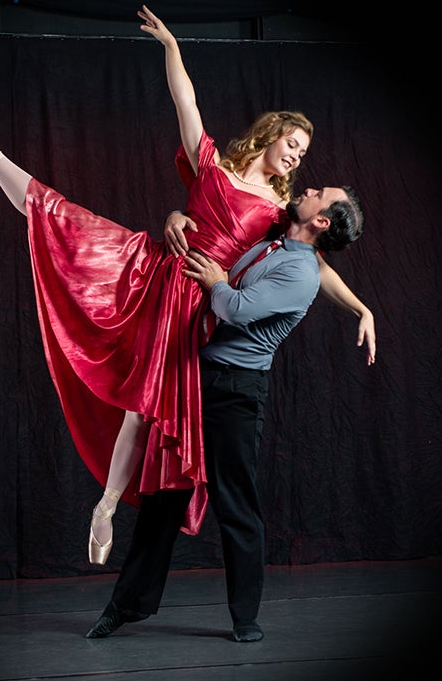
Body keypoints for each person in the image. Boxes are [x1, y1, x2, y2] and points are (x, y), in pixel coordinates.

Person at [0, 4, 375, 568]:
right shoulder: (212, 163)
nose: (297, 154)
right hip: (156, 273)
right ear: (268, 136)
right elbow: (184, 101)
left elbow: (316, 267)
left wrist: (360, 308)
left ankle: (107, 505)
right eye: (292, 142)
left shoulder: (277, 210)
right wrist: (172, 47)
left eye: (304, 152)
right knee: (65, 219)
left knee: (143, 410)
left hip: (197, 303)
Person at [85, 183, 368, 642]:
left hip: (235, 391)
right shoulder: (276, 232)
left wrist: (216, 280)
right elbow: (215, 219)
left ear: (322, 221)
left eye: (320, 193)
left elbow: (235, 309)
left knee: (236, 505)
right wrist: (178, 215)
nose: (309, 187)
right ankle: (124, 607)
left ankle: (245, 619)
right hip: (193, 378)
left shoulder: (302, 274)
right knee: (163, 499)